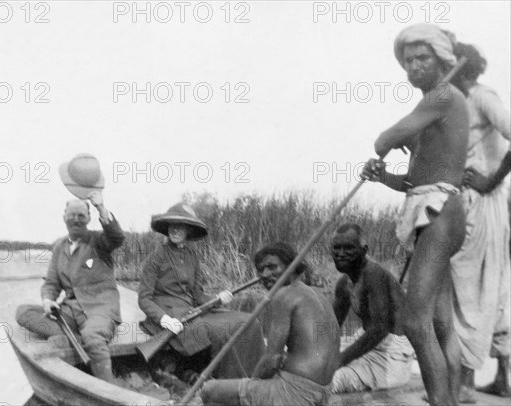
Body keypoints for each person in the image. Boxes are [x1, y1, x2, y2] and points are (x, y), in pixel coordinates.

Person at [362, 23, 469, 405]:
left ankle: (441, 402)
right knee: (439, 322)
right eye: (408, 61)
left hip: (441, 213)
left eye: (423, 57)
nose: (414, 66)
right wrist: (383, 176)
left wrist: (390, 141)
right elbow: (413, 181)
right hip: (432, 207)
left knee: (412, 320)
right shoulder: (433, 104)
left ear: (441, 59)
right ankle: (451, 400)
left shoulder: (441, 96)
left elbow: (383, 139)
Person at [200, 242, 340, 406]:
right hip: (324, 390)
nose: (265, 274)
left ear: (292, 266)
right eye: (261, 270)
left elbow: (272, 359)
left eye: (272, 267)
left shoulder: (284, 295)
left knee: (209, 390)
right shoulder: (320, 295)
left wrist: (253, 383)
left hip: (296, 392)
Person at [138, 203, 266, 381]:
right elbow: (144, 299)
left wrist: (218, 299)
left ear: (188, 230)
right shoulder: (156, 258)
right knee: (222, 332)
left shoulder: (192, 256)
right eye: (172, 225)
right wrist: (165, 320)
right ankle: (226, 382)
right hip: (167, 315)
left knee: (247, 321)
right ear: (166, 228)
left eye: (180, 226)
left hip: (190, 311)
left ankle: (256, 377)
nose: (175, 230)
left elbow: (197, 294)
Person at [448, 42, 511, 401]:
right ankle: (503, 378)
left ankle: (465, 384)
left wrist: (493, 179)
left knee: (468, 290)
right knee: (493, 287)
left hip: (483, 200)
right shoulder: (455, 102)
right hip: (475, 202)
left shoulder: (482, 97)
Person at [15, 192, 125, 384]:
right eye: (72, 215)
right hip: (70, 311)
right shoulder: (59, 246)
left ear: (89, 219)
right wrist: (48, 300)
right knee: (23, 312)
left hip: (101, 309)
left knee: (93, 336)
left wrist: (101, 207)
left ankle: (111, 392)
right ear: (64, 218)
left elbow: (117, 237)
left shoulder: (99, 241)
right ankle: (70, 336)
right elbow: (51, 283)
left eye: (81, 216)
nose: (76, 220)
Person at [329, 223, 414, 393]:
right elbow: (331, 325)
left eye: (349, 248)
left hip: (391, 355)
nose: (340, 254)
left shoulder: (374, 275)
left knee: (328, 382)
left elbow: (380, 329)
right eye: (336, 248)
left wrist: (339, 360)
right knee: (312, 368)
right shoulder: (343, 284)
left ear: (364, 250)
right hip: (368, 345)